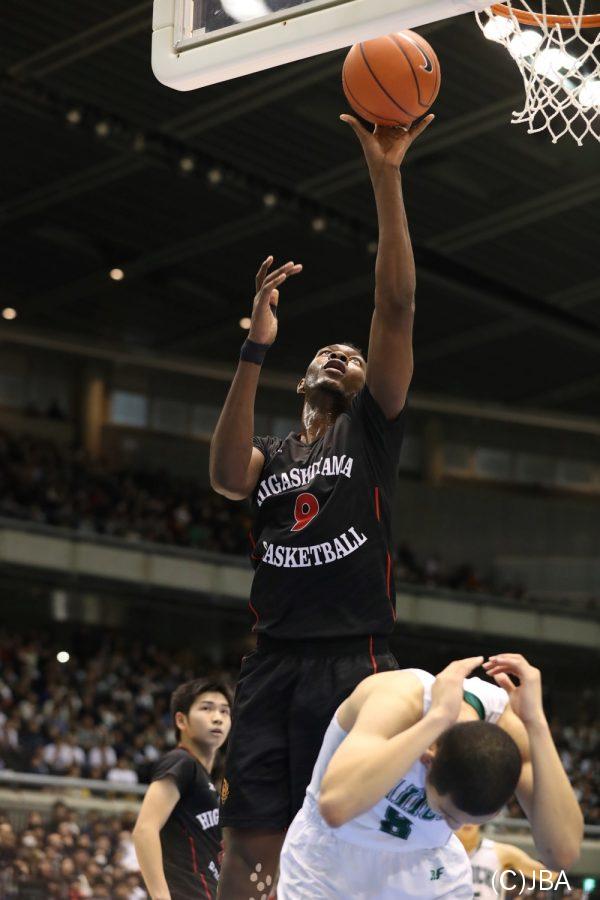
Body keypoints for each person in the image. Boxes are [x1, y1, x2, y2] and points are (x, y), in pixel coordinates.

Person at [210, 111, 434, 898]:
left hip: (354, 660)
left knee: (344, 843)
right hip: (272, 661)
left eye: (353, 355)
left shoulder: (371, 428)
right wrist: (255, 346)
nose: (340, 354)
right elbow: (226, 475)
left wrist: (385, 174)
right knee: (249, 849)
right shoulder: (274, 452)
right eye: (326, 352)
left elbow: (396, 306)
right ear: (302, 378)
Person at [277, 653, 583, 899]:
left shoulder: (506, 729)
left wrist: (536, 723)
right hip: (331, 857)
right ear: (427, 760)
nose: (458, 828)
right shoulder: (398, 699)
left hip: (427, 862)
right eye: (448, 814)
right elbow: (335, 808)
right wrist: (436, 719)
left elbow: (562, 853)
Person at [133, 679, 232, 900]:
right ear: (181, 720)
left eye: (225, 711)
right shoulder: (181, 762)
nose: (218, 717)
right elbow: (145, 830)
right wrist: (161, 897)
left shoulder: (206, 779)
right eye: (206, 708)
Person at [456, 823, 557, 900]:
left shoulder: (500, 852)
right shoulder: (446, 853)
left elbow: (549, 875)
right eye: (462, 816)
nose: (467, 822)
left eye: (471, 815)